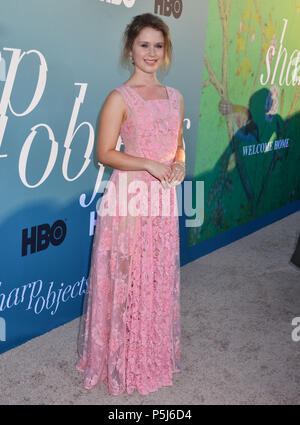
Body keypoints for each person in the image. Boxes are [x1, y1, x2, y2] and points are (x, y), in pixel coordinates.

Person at [76, 12, 185, 396]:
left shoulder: (176, 98)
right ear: (130, 49)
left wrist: (180, 164)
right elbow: (104, 153)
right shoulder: (119, 98)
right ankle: (120, 360)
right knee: (126, 281)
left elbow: (177, 143)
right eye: (144, 45)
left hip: (162, 202)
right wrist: (148, 163)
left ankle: (148, 355)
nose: (151, 53)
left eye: (158, 46)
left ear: (166, 50)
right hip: (128, 201)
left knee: (154, 280)